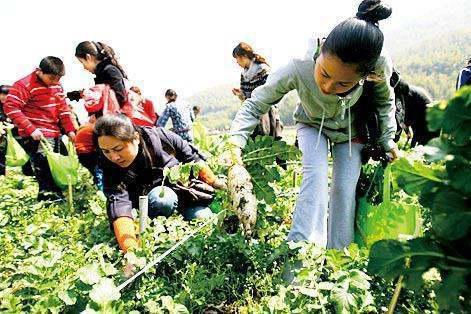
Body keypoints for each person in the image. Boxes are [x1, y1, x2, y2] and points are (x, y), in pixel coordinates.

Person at [229, 0, 397, 249]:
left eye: (343, 84)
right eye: (325, 74)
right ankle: (301, 254)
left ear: (364, 76)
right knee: (315, 181)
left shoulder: (378, 66)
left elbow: (385, 101)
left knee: (344, 192)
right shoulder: (299, 66)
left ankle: (339, 259)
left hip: (352, 131)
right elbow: (256, 104)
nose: (328, 87)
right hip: (311, 124)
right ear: (319, 55)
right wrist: (235, 142)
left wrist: (387, 138)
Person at [95, 114, 225, 253]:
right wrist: (131, 251)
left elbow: (193, 159)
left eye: (118, 149)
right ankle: (161, 231)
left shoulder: (163, 139)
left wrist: (216, 182)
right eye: (106, 151)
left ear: (136, 138)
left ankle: (178, 220)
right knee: (161, 199)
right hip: (149, 207)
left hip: (185, 196)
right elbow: (120, 207)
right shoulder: (109, 166)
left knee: (205, 220)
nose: (113, 157)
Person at [4, 57, 76, 200]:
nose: (56, 82)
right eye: (52, 78)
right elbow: (10, 107)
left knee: (62, 164)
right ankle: (48, 199)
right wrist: (31, 129)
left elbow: (63, 109)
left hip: (55, 132)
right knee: (45, 168)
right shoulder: (24, 85)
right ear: (40, 72)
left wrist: (70, 130)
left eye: (59, 78)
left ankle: (61, 196)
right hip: (36, 135)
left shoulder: (57, 86)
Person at [232, 42, 283, 140]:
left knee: (268, 142)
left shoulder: (263, 70)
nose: (237, 62)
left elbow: (269, 93)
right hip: (253, 111)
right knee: (254, 144)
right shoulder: (243, 75)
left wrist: (250, 96)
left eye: (237, 58)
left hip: (266, 112)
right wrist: (240, 94)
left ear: (243, 56)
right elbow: (246, 96)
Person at [393, 79, 438, 146]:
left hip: (427, 118)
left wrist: (405, 129)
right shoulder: (404, 91)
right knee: (417, 144)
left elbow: (402, 116)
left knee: (420, 146)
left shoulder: (402, 93)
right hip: (422, 115)